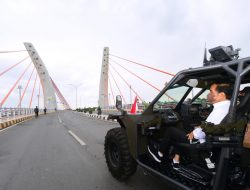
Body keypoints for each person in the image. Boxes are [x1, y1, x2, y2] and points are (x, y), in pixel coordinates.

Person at [148, 83, 233, 170]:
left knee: (171, 130)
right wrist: (196, 129)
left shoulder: (220, 109)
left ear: (222, 95)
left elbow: (205, 130)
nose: (209, 94)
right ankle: (176, 160)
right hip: (212, 139)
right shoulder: (229, 106)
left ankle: (159, 154)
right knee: (184, 131)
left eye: (211, 92)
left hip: (202, 141)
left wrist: (194, 133)